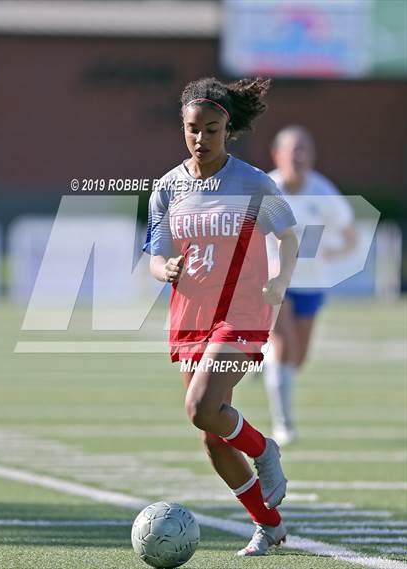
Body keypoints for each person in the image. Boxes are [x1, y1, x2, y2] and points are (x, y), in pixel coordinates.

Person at [143, 77, 299, 557]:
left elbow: (290, 236)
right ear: (183, 127)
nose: (201, 139)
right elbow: (154, 254)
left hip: (242, 311)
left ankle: (264, 450)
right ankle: (269, 525)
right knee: (212, 436)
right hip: (191, 314)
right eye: (193, 129)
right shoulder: (167, 188)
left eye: (211, 130)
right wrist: (162, 267)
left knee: (201, 407)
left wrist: (279, 281)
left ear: (226, 129)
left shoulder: (253, 183)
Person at [263, 126, 357, 446]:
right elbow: (242, 236)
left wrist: (333, 252)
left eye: (306, 150)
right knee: (284, 347)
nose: (300, 157)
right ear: (278, 155)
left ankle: (262, 357)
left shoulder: (323, 191)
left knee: (298, 359)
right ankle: (283, 425)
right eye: (294, 150)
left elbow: (350, 237)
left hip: (311, 284)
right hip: (275, 283)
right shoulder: (267, 189)